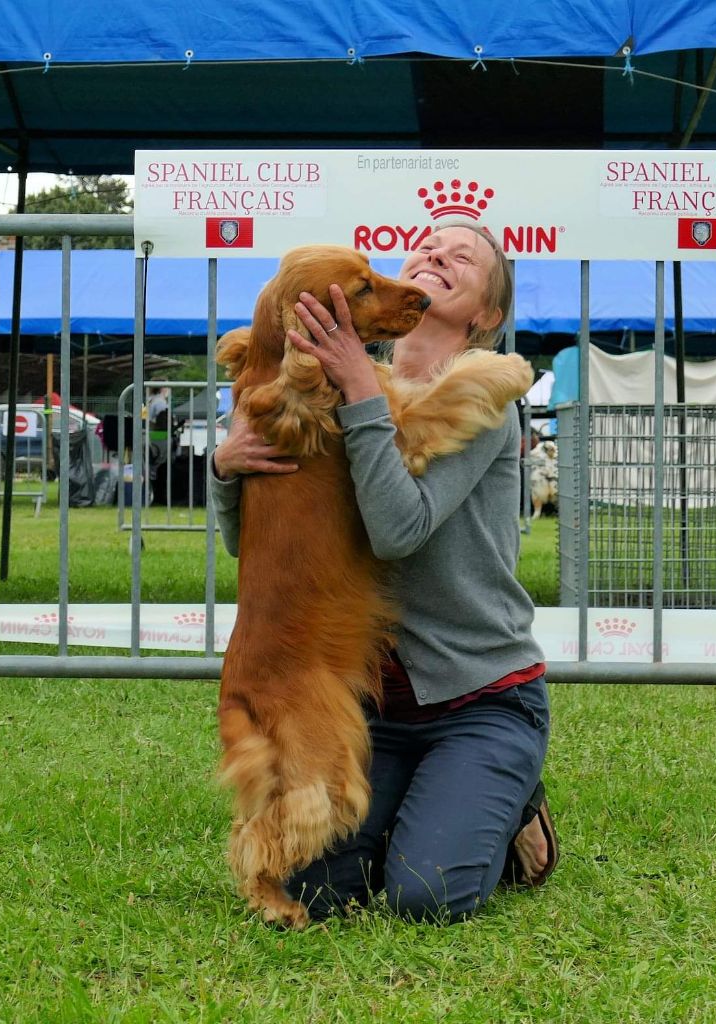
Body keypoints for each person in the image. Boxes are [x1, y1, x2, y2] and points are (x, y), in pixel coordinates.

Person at [209, 223, 557, 924]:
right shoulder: (318, 392)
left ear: (485, 314)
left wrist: (361, 389)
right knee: (317, 891)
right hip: (373, 703)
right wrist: (225, 465)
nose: (435, 257)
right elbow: (252, 542)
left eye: (463, 258)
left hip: (477, 697)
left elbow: (398, 531)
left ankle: (513, 802)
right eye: (426, 247)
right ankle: (425, 803)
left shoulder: (480, 396)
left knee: (424, 894)